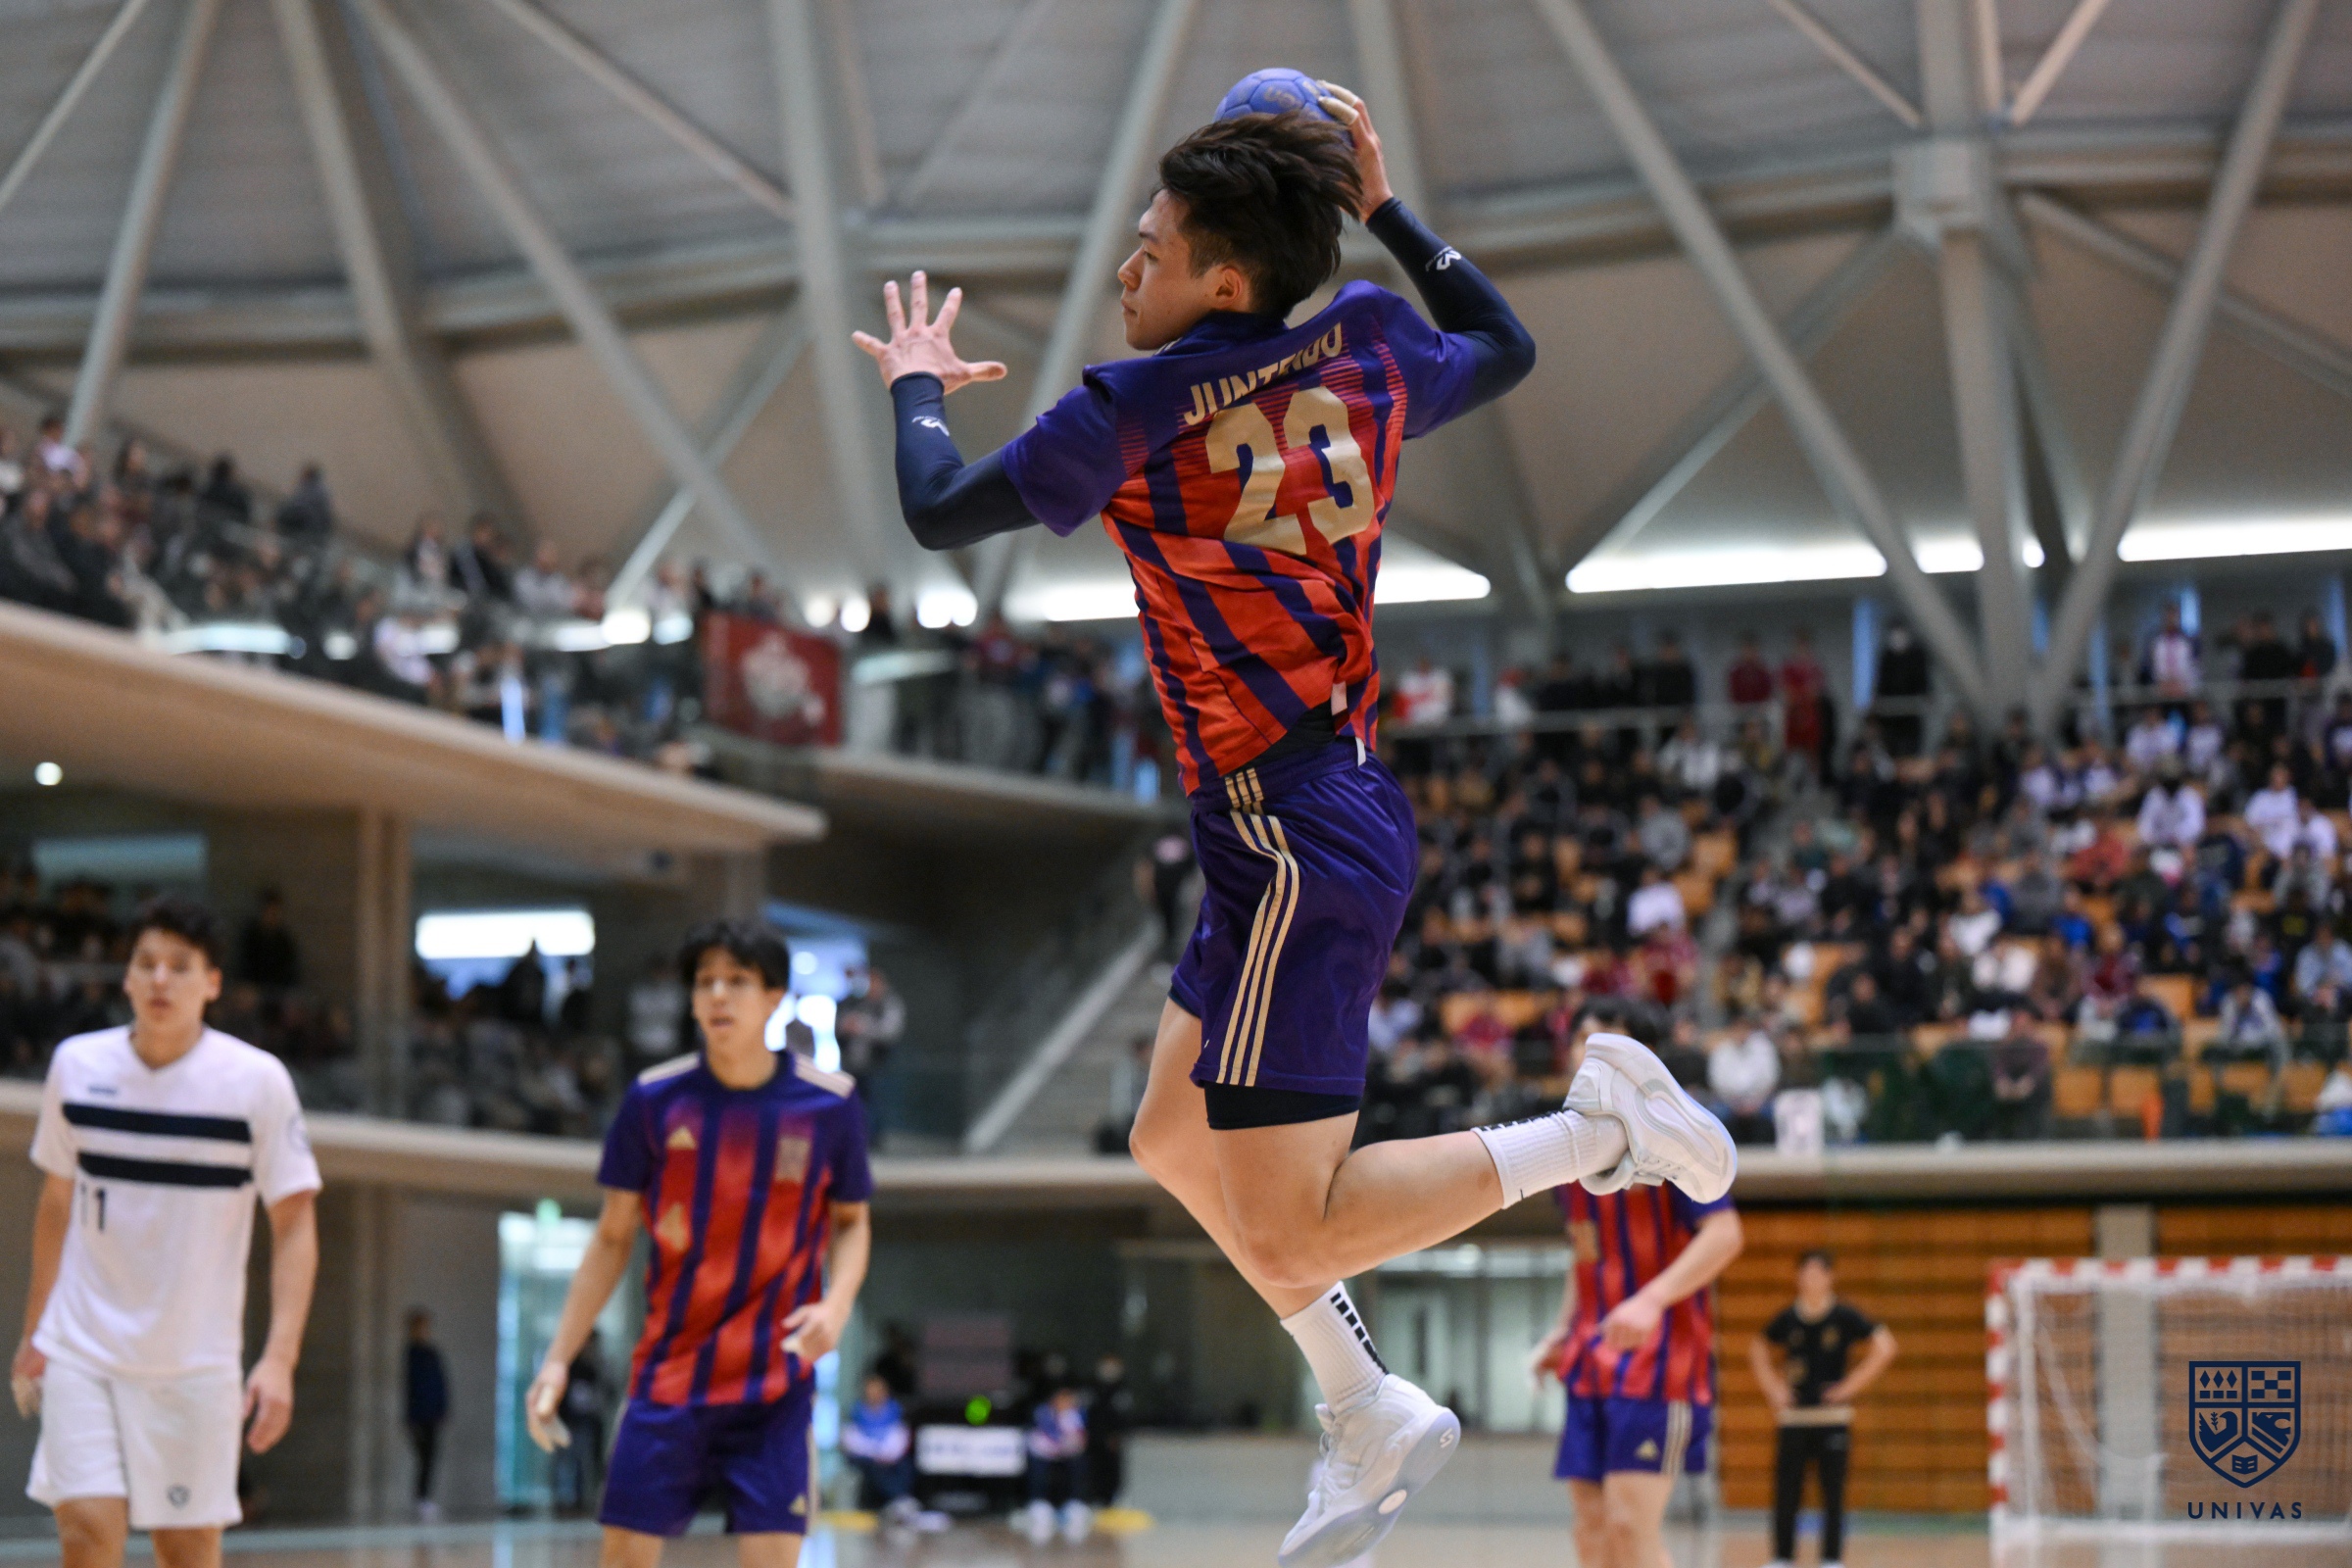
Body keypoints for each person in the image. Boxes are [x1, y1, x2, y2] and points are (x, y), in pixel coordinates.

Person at [857, 84, 1733, 1568]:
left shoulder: (1132, 411)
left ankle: (1597, 1133)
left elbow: (938, 511)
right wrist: (1384, 209)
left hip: (1286, 833)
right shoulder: (1373, 343)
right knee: (1167, 1135)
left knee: (1291, 1229)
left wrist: (918, 385)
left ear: (1222, 279)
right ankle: (1364, 1401)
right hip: (1308, 807)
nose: (1126, 267)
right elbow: (1506, 345)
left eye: (1151, 247)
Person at [520, 920, 873, 1568]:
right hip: (669, 1380)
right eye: (705, 981)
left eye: (737, 981)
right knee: (623, 1560)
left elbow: (851, 1222)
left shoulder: (829, 1105)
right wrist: (557, 1360)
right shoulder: (653, 1101)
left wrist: (838, 1303)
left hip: (775, 1386)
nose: (718, 995)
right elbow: (611, 1237)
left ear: (774, 997)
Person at [14, 896, 321, 1568]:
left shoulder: (257, 1083)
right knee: (87, 1531)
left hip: (194, 1364)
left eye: (179, 966)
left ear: (212, 983)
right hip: (83, 1347)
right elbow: (56, 1204)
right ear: (125, 978)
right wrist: (36, 1328)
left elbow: (295, 1221)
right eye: (146, 963)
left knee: (185, 1550)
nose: (160, 979)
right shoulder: (77, 1067)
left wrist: (280, 1359)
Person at [1532, 1011, 1744, 1568]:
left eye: (1605, 1040)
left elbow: (1725, 1234)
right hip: (1590, 1358)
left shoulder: (1674, 1141)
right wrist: (1561, 1331)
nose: (1587, 1050)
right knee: (1591, 1530)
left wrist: (1651, 1299)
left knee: (1629, 1528)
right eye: (1581, 1039)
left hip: (1661, 1361)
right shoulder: (1566, 1154)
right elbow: (1585, 1253)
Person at [1749, 1250, 1898, 1568]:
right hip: (1794, 1419)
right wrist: (1773, 1388)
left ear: (1830, 1277)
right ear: (1798, 1277)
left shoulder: (1844, 1316)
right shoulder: (1789, 1318)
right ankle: (1782, 1557)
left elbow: (1886, 1345)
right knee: (1787, 1492)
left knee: (1833, 1494)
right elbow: (1758, 1347)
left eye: (1818, 1273)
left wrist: (1850, 1386)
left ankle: (1831, 1559)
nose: (1812, 1279)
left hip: (1832, 1418)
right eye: (1806, 1273)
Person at [840, 1373, 914, 1522]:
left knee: (905, 1465)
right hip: (865, 1458)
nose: (874, 1393)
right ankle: (898, 1499)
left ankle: (898, 1500)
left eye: (878, 1389)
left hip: (890, 1457)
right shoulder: (856, 1412)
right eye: (870, 1389)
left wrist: (888, 1453)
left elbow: (900, 1436)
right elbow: (849, 1440)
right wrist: (874, 1453)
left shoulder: (895, 1411)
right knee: (874, 1467)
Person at [1023, 1384, 1090, 1544]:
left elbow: (1079, 1438)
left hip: (1066, 1453)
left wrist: (1067, 1447)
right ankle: (1039, 1503)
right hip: (1043, 1453)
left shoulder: (1076, 1415)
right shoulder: (1042, 1412)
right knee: (1038, 1469)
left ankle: (1075, 1503)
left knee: (1079, 1464)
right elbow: (1044, 1435)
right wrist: (1056, 1446)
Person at [404, 1308, 450, 1522]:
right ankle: (421, 1498)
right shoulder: (412, 1354)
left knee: (431, 1456)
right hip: (419, 1414)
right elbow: (410, 1388)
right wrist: (411, 1417)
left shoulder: (432, 1353)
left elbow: (440, 1384)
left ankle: (424, 1497)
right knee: (423, 1457)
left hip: (433, 1413)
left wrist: (442, 1408)